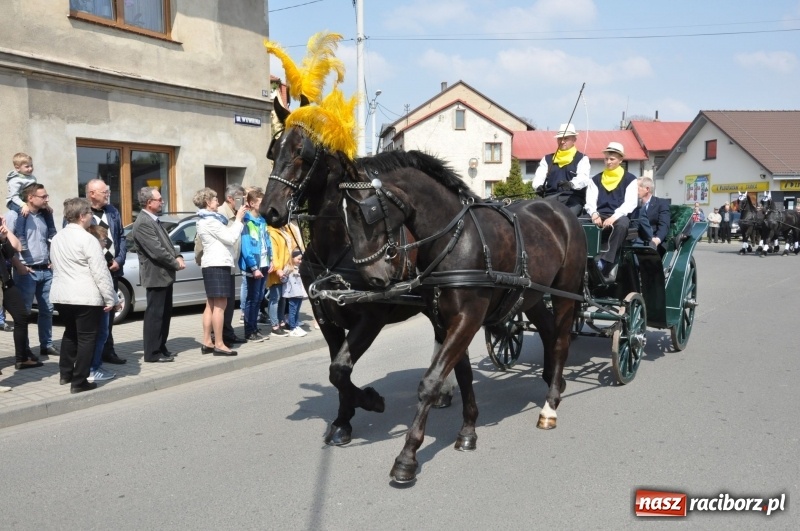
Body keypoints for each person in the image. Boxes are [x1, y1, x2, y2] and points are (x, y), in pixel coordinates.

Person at [50, 198, 119, 394]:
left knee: (70, 333)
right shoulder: (88, 239)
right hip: (84, 296)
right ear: (82, 216)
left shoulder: (57, 238)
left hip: (61, 295)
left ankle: (65, 373)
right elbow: (100, 272)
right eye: (89, 213)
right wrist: (111, 298)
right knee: (87, 338)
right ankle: (79, 381)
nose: (92, 217)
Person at [131, 187, 185, 363]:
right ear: (149, 202)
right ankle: (152, 353)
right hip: (155, 275)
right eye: (159, 199)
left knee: (164, 314)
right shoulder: (143, 222)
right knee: (155, 315)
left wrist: (178, 255)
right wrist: (175, 263)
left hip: (163, 275)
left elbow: (167, 244)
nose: (162, 202)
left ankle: (161, 347)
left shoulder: (154, 220)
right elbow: (157, 251)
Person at [5, 183, 58, 360]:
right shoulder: (14, 215)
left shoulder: (45, 215)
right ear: (30, 198)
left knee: (47, 310)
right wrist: (18, 265)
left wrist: (51, 261)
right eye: (43, 196)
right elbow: (6, 245)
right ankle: (24, 350)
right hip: (26, 271)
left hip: (45, 269)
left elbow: (48, 240)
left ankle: (46, 345)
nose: (47, 199)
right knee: (24, 313)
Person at [193, 187, 247, 356]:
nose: (218, 202)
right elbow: (230, 238)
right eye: (215, 199)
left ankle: (207, 342)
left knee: (210, 304)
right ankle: (219, 343)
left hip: (211, 264)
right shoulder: (210, 221)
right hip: (218, 264)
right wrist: (238, 219)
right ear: (208, 202)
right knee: (220, 306)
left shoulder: (205, 219)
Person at [85, 179, 128, 365]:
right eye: (104, 192)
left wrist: (119, 260)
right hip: (91, 273)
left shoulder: (112, 211)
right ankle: (91, 356)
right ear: (92, 193)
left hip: (112, 270)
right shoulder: (82, 212)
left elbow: (122, 237)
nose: (107, 194)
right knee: (93, 315)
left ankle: (107, 351)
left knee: (109, 315)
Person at [585, 142, 638, 282]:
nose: (608, 161)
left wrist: (614, 217)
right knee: (579, 223)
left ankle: (605, 262)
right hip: (599, 213)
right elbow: (590, 201)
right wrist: (594, 214)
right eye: (606, 158)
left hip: (619, 215)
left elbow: (630, 203)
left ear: (620, 160)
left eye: (612, 158)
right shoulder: (596, 179)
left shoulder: (630, 179)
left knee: (621, 225)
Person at [0, 213, 38, 373]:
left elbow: (15, 249)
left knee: (21, 316)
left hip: (5, 282)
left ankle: (21, 358)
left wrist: (3, 236)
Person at [531, 123, 591, 216]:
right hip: (551, 198)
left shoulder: (582, 158)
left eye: (566, 138)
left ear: (574, 139)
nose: (562, 141)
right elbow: (539, 177)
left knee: (567, 217)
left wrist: (571, 184)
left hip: (573, 199)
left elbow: (583, 178)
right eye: (560, 138)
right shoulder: (547, 159)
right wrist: (538, 186)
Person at [239, 188, 272, 342]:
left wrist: (271, 259)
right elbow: (246, 247)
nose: (264, 205)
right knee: (251, 299)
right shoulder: (246, 221)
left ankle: (254, 326)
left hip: (264, 265)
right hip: (254, 267)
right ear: (252, 203)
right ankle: (249, 330)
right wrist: (254, 267)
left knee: (259, 299)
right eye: (261, 202)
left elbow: (267, 241)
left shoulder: (262, 221)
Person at [5, 152, 57, 253]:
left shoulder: (31, 178)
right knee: (22, 213)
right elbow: (14, 196)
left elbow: (34, 192)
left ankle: (52, 234)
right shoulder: (14, 181)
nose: (30, 168)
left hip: (24, 201)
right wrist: (23, 205)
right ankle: (21, 237)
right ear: (17, 168)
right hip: (14, 202)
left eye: (31, 165)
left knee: (47, 211)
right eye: (27, 166)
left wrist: (46, 205)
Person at [84, 225, 116, 383]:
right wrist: (111, 299)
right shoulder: (95, 255)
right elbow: (102, 279)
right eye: (104, 240)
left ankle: (94, 366)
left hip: (98, 300)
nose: (106, 243)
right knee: (100, 334)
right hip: (99, 301)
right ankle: (93, 368)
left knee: (98, 335)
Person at [266, 223, 291, 337]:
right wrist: (277, 269)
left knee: (282, 299)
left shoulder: (282, 230)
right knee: (275, 298)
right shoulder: (272, 233)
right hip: (278, 271)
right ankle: (274, 325)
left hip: (285, 270)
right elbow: (273, 254)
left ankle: (281, 322)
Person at [634, 177, 671, 251]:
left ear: (647, 189)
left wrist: (657, 239)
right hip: (636, 240)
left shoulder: (661, 203)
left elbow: (664, 224)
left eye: (636, 188)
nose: (633, 191)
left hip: (653, 241)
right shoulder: (634, 205)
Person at [282, 249, 307, 337]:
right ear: (292, 258)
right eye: (298, 259)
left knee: (297, 310)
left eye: (301, 259)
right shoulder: (289, 268)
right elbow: (283, 279)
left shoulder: (300, 268)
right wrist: (284, 276)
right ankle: (292, 328)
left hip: (299, 292)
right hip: (292, 293)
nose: (300, 261)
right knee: (292, 311)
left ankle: (296, 325)